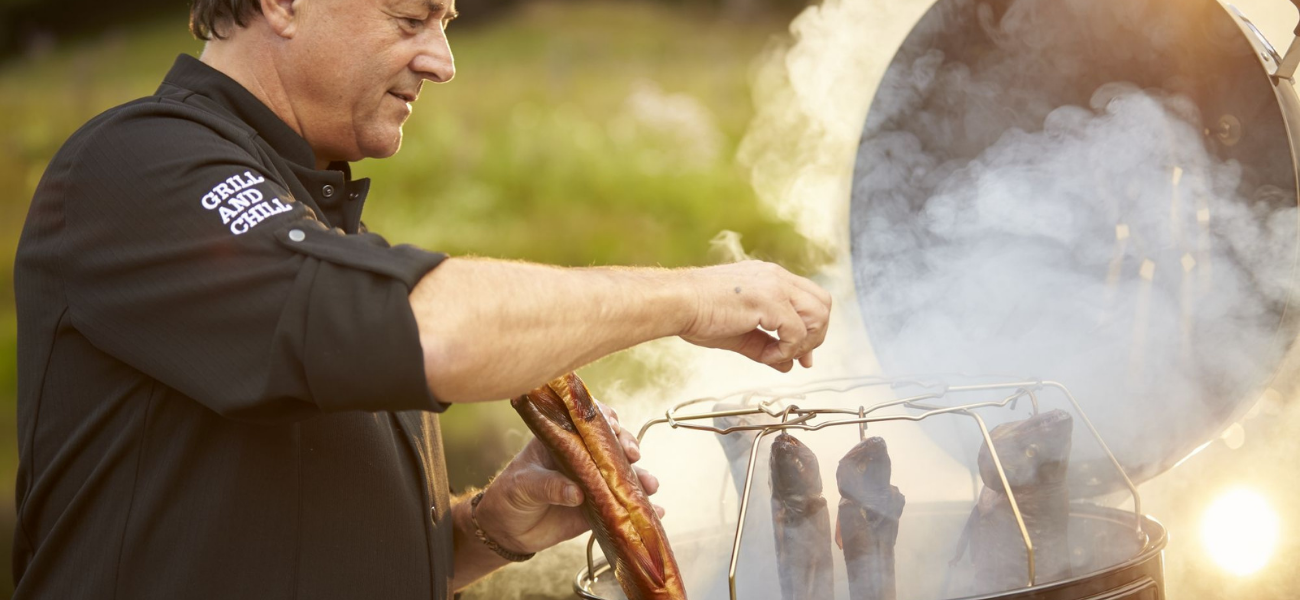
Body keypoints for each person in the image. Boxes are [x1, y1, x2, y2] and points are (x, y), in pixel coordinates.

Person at [10, 0, 832, 597]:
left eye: (448, 23)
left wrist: (484, 531)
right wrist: (692, 298)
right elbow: (438, 334)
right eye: (411, 21)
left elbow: (286, 544)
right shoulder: (136, 165)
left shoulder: (319, 231)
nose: (442, 61)